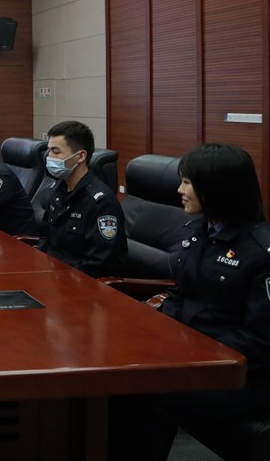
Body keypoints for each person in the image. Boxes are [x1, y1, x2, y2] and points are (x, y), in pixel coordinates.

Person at [109, 143, 270, 460]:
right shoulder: (199, 231)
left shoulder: (260, 252)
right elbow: (182, 296)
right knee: (117, 372)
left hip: (242, 376)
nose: (179, 191)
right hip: (195, 357)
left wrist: (190, 348)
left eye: (187, 183)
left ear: (218, 188)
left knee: (140, 390)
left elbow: (260, 342)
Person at [35, 121, 127, 277]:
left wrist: (62, 279)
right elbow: (46, 240)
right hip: (52, 273)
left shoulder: (102, 203)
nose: (49, 157)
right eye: (48, 150)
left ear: (80, 156)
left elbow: (100, 264)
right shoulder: (56, 190)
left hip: (80, 282)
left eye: (56, 151)